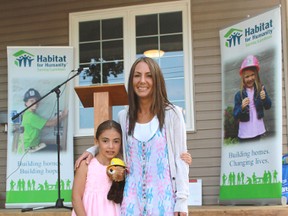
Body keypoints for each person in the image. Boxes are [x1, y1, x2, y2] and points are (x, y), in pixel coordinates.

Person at [75, 57, 190, 215]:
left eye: (149, 75)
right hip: (131, 202)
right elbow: (114, 144)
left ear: (157, 80)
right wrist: (92, 150)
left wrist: (182, 202)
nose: (142, 81)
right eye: (137, 75)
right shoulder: (124, 116)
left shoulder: (172, 114)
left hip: (163, 201)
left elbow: (181, 159)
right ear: (131, 80)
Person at [72, 120, 123, 216]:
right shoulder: (86, 165)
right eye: (105, 141)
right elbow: (76, 197)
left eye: (116, 141)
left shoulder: (121, 167)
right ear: (97, 141)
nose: (111, 146)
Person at [233, 55, 272, 141]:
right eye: (247, 76)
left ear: (256, 75)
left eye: (252, 75)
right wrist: (242, 107)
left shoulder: (260, 89)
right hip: (245, 133)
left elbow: (268, 106)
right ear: (243, 78)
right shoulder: (239, 95)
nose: (250, 78)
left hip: (257, 130)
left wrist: (264, 98)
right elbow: (235, 115)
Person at [21, 88, 68, 153]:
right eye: (32, 101)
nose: (35, 102)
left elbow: (47, 123)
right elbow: (52, 124)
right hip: (28, 151)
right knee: (57, 148)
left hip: (31, 147)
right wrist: (63, 115)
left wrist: (59, 116)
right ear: (26, 103)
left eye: (37, 100)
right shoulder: (31, 116)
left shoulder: (28, 113)